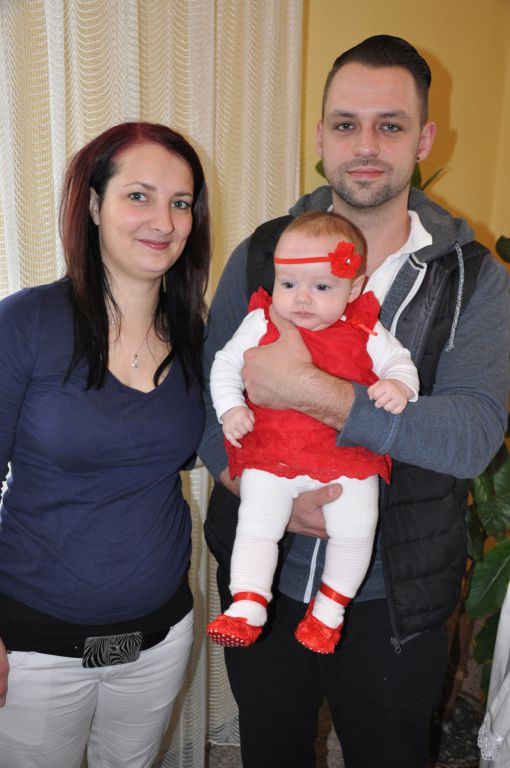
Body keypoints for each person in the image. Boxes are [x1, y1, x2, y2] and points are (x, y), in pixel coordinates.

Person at [198, 35, 510, 768]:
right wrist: (259, 487)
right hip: (262, 582)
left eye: (389, 125)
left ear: (424, 140)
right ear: (320, 136)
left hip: (393, 602)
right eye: (346, 124)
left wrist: (322, 395)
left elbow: (472, 435)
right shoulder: (263, 253)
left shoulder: (473, 278)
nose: (365, 146)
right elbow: (207, 404)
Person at [0, 121, 210, 768]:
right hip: (37, 644)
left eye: (180, 202)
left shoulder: (196, 336)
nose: (164, 221)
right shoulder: (26, 324)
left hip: (161, 634)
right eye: (138, 196)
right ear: (93, 205)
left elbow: (219, 451)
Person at [206, 211, 419, 653]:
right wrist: (230, 408)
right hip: (273, 453)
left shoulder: (365, 328)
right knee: (256, 521)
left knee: (358, 527)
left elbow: (400, 363)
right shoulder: (261, 321)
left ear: (353, 289)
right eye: (288, 284)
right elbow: (225, 363)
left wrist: (399, 386)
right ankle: (247, 603)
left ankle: (329, 611)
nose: (301, 298)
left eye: (322, 287)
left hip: (345, 458)